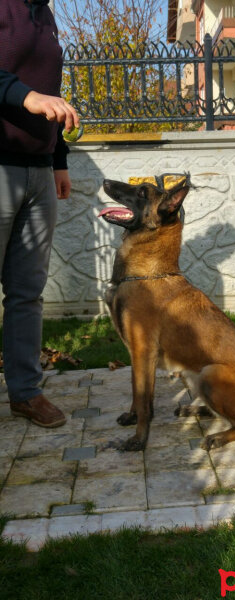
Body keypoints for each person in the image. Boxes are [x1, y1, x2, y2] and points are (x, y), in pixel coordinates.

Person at [0, 0, 80, 427]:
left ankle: (25, 393)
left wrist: (59, 159)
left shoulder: (45, 16)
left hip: (38, 173)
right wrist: (27, 97)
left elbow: (52, 92)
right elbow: (34, 94)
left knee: (27, 292)